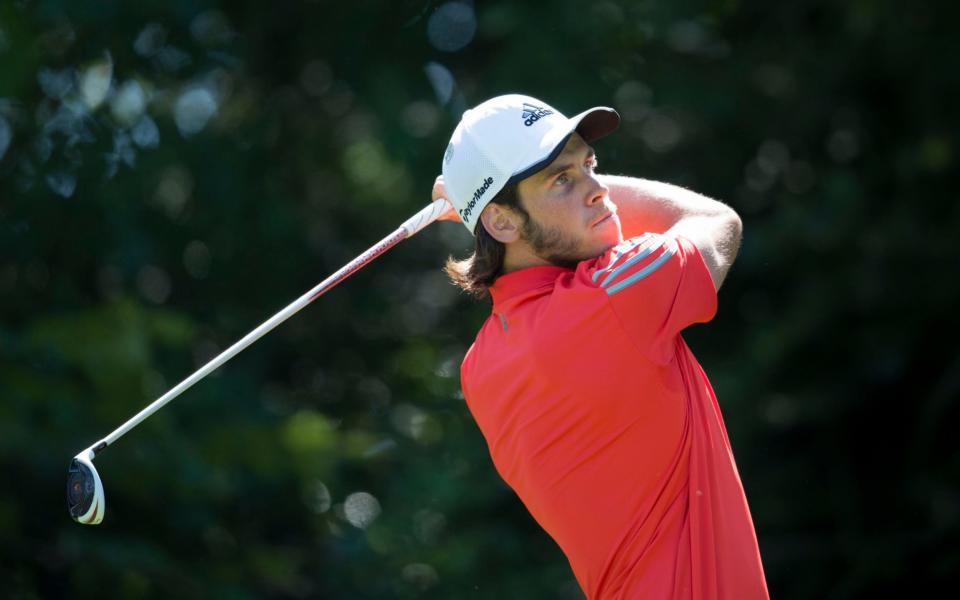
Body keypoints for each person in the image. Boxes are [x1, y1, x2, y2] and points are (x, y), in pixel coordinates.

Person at [432, 94, 769, 599]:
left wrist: (485, 213)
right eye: (562, 179)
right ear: (502, 221)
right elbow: (716, 221)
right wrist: (476, 210)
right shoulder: (612, 297)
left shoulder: (479, 366)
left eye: (590, 164)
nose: (600, 191)